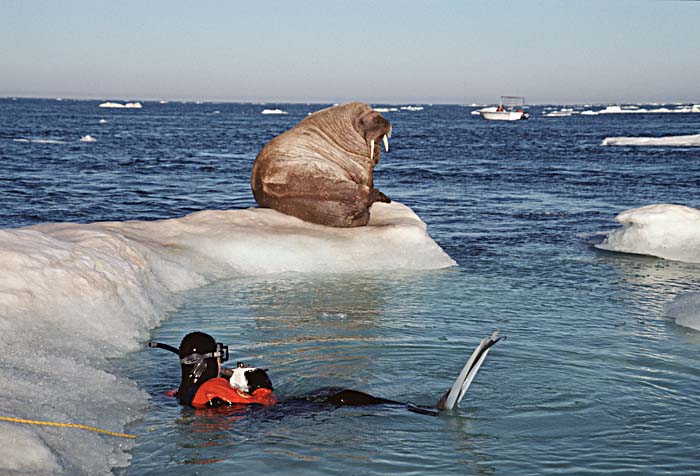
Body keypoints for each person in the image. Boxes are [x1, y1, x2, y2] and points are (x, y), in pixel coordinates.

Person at [148, 330, 502, 414]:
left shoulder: (181, 392)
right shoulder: (213, 384)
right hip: (274, 417)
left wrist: (232, 385)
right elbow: (265, 404)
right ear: (209, 359)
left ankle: (410, 407)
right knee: (342, 396)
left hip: (250, 418)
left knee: (331, 392)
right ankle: (420, 409)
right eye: (219, 357)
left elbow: (203, 398)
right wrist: (259, 382)